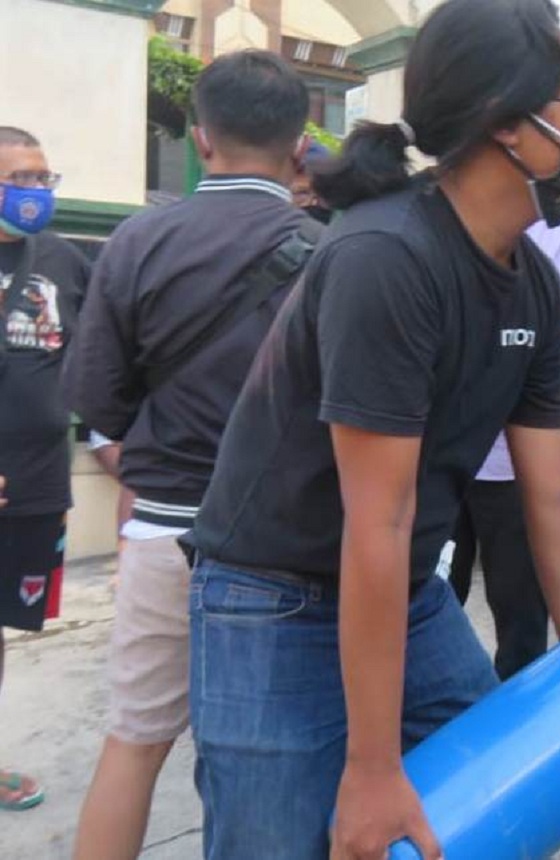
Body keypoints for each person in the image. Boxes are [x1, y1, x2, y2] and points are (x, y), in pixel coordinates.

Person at [184, 1, 560, 856]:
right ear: (507, 125)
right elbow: (380, 517)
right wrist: (373, 769)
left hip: (402, 593)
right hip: (273, 594)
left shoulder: (534, 287)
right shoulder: (386, 259)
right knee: (289, 839)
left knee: (490, 789)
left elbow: (550, 491)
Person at [67, 51, 314, 859]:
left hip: (165, 532)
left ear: (201, 139)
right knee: (271, 764)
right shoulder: (330, 253)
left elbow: (97, 400)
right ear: (301, 146)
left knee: (135, 743)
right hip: (284, 549)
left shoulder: (138, 241)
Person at [450, 213, 560, 680]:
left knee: (519, 614)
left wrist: (513, 346)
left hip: (515, 462)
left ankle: (519, 732)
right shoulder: (450, 227)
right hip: (447, 452)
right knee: (430, 598)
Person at [0, 126, 91, 812]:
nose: (34, 192)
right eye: (19, 179)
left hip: (35, 486)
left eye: (42, 179)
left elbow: (95, 357)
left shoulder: (60, 259)